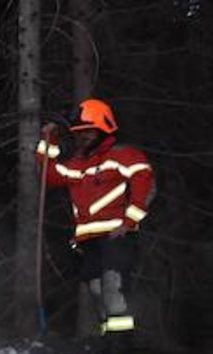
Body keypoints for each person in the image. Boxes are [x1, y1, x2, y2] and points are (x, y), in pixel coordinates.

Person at [38, 98, 155, 336]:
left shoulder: (122, 155)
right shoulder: (77, 165)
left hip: (116, 237)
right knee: (97, 290)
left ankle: (122, 347)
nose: (84, 137)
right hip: (88, 240)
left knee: (113, 286)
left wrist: (129, 222)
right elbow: (48, 177)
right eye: (80, 133)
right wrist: (49, 142)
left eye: (89, 132)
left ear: (103, 129)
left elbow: (145, 184)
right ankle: (108, 344)